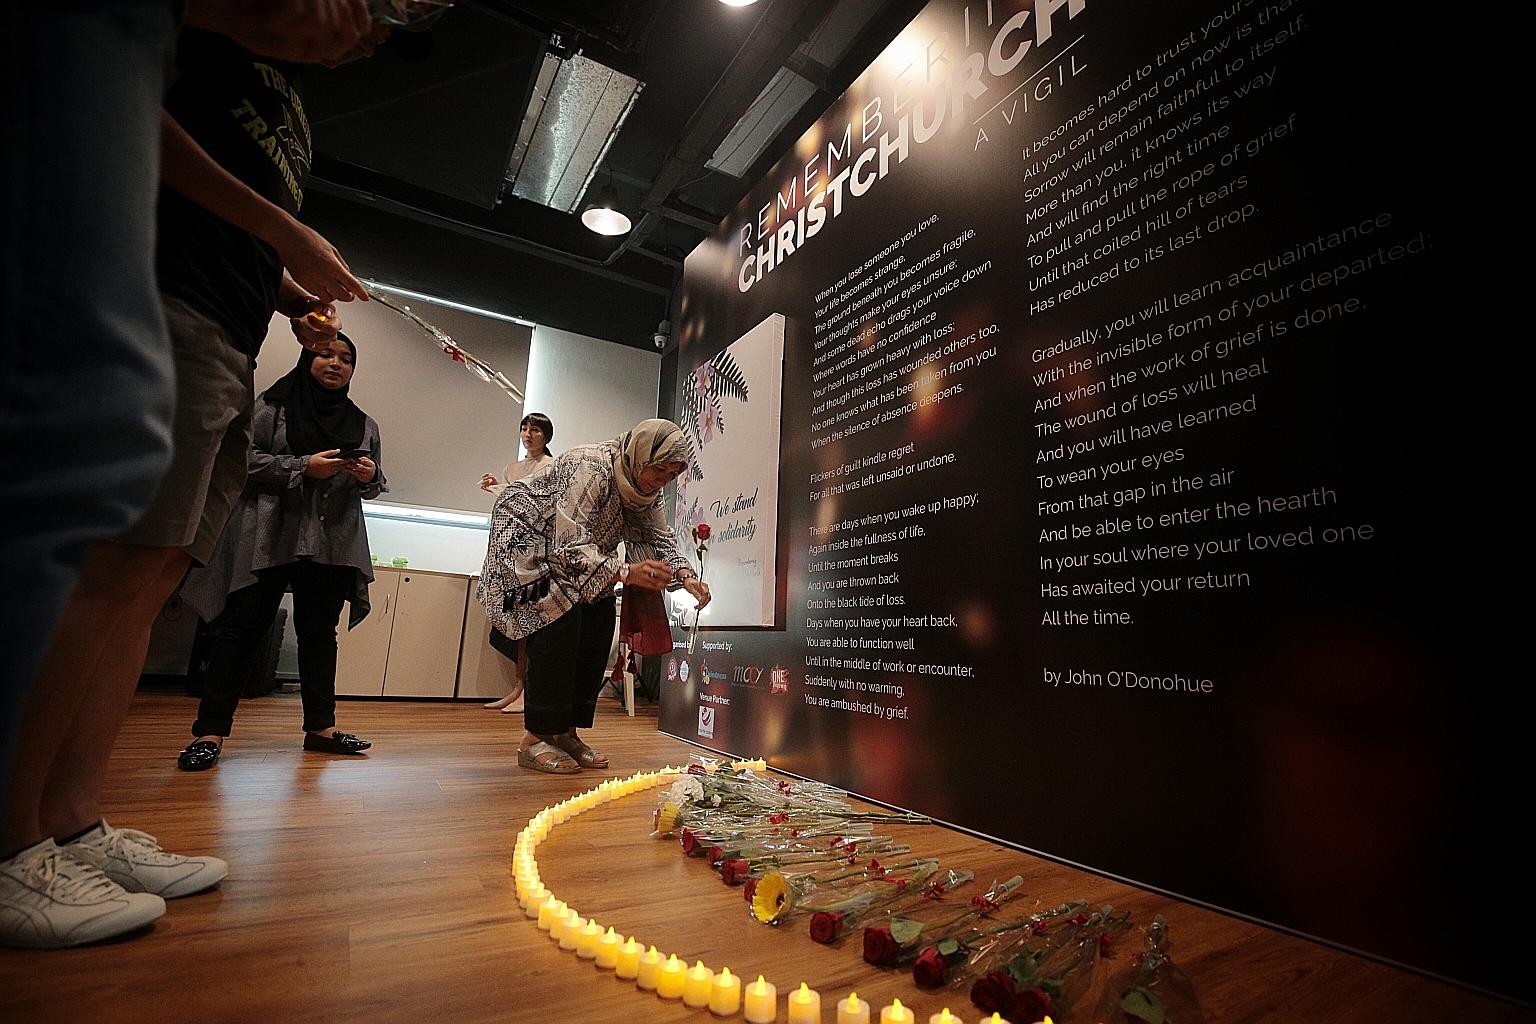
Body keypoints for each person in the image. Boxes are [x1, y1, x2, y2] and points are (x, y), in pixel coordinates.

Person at [1, 15, 381, 949]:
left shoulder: (280, 91)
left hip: (228, 333)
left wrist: (286, 290)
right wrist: (284, 229)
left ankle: (73, 822)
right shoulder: (176, 30)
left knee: (146, 581)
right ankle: (11, 840)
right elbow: (119, 118)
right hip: (160, 303)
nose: (359, 31)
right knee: (104, 567)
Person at [176, 334, 385, 771]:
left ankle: (321, 729)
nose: (336, 364)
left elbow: (373, 486)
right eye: (326, 354)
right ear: (308, 356)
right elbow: (240, 459)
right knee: (242, 629)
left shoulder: (363, 424)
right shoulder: (274, 406)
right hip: (270, 532)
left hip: (329, 540)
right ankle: (209, 732)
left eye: (347, 359)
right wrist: (301, 466)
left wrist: (368, 475)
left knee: (318, 635)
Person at [478, 419, 711, 774]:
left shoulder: (646, 490)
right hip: (528, 544)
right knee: (558, 624)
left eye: (671, 473)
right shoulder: (592, 466)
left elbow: (659, 537)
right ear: (639, 455)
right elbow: (568, 540)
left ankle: (565, 732)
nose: (662, 479)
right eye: (658, 469)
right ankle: (535, 737)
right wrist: (628, 572)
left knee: (599, 623)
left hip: (580, 554)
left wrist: (686, 575)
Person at [477, 412, 556, 713]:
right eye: (524, 428)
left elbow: (542, 505)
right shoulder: (512, 468)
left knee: (533, 621)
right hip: (510, 550)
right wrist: (498, 487)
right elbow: (511, 504)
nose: (528, 434)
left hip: (537, 554)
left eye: (535, 430)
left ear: (546, 436)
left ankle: (528, 691)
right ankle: (517, 687)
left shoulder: (552, 466)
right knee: (516, 618)